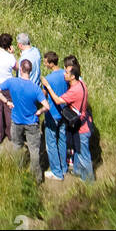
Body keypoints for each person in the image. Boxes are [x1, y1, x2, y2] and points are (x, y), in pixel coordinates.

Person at [0, 59, 47, 182]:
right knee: (34, 150)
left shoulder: (12, 82)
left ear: (20, 69)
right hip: (31, 123)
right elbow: (47, 106)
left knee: (17, 145)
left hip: (16, 121)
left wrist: (7, 102)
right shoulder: (35, 88)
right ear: (31, 71)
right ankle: (37, 177)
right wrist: (39, 112)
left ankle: (17, 169)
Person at [43, 58, 94, 181]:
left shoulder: (75, 91)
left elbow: (58, 100)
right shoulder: (81, 84)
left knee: (83, 155)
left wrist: (48, 86)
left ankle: (89, 182)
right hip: (83, 122)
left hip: (81, 128)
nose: (63, 74)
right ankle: (77, 172)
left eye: (66, 73)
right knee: (77, 150)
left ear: (72, 77)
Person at [41, 51, 68, 179]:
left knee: (51, 143)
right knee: (62, 140)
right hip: (64, 112)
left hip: (52, 113)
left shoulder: (49, 79)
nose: (44, 64)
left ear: (51, 64)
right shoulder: (65, 74)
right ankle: (64, 167)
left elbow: (43, 96)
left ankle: (57, 172)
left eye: (46, 62)